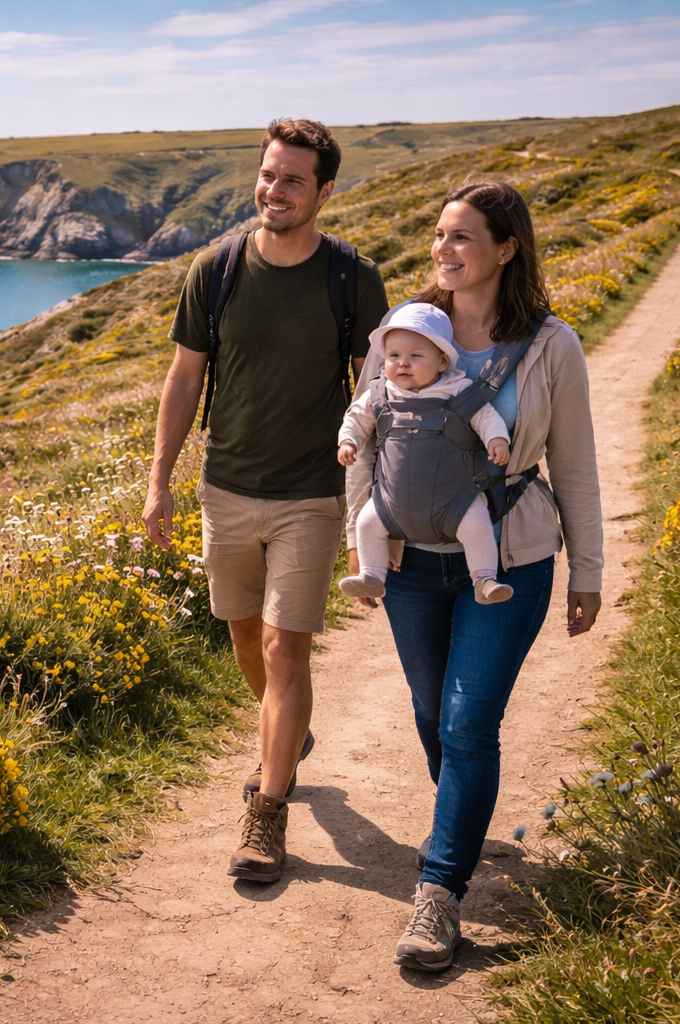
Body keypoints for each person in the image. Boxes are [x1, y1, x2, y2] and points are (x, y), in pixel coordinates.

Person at [344, 180, 603, 972]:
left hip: (512, 560)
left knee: (466, 722)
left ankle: (439, 893)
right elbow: (363, 435)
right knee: (431, 713)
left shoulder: (551, 344)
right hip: (414, 563)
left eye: (462, 236)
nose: (443, 250)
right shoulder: (404, 331)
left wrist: (586, 570)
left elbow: (576, 465)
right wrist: (362, 549)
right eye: (439, 234)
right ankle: (463, 811)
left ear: (506, 248)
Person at [142, 118, 387, 883]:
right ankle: (290, 732)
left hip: (312, 495)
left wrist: (377, 503)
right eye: (268, 174)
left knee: (286, 649)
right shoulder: (215, 269)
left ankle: (267, 812)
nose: (274, 191)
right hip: (226, 489)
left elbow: (381, 391)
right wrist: (159, 483)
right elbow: (185, 378)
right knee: (245, 639)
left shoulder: (352, 277)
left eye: (293, 180)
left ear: (324, 192)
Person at [336, 303, 513, 605]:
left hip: (455, 499)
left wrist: (497, 439)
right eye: (393, 356)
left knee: (477, 523)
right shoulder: (381, 393)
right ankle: (372, 575)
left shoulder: (458, 391)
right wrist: (349, 441)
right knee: (368, 523)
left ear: (443, 361)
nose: (402, 364)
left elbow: (485, 416)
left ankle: (484, 579)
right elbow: (355, 418)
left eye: (415, 356)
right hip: (392, 502)